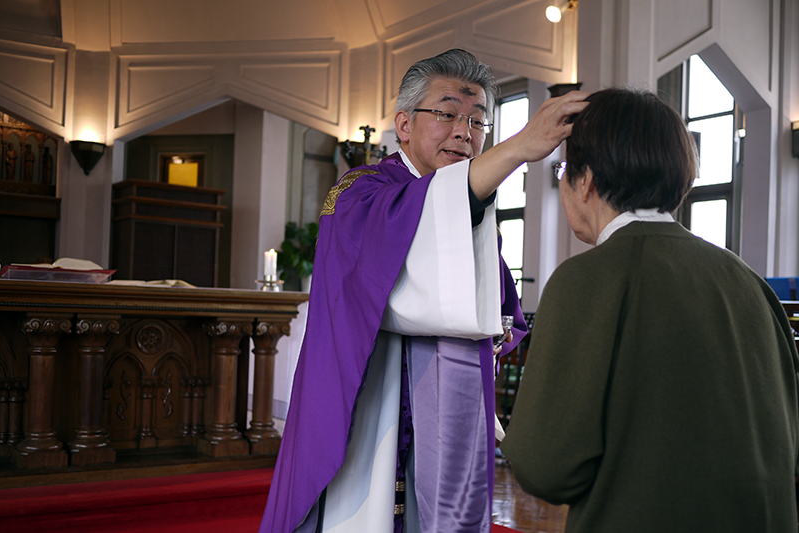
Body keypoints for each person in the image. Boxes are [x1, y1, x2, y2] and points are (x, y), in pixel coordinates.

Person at [259, 49, 587, 533]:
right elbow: (394, 260)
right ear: (405, 125)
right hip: (372, 407)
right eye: (448, 113)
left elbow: (488, 296)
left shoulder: (470, 204)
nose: (464, 131)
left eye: (478, 121)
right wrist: (518, 147)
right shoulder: (357, 192)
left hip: (443, 411)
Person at [500, 88, 799, 532]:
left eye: (563, 170)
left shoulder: (587, 279)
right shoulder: (749, 283)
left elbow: (545, 466)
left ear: (586, 180)